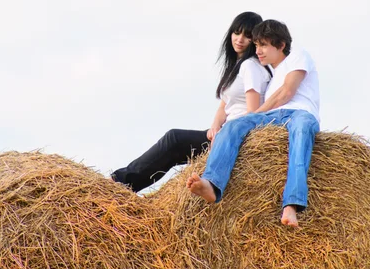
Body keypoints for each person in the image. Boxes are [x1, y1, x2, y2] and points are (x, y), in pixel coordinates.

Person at [112, 12, 271, 192]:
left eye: (247, 36)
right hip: (224, 132)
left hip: (236, 137)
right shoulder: (237, 66)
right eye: (236, 32)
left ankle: (120, 182)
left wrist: (224, 135)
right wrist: (215, 127)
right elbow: (224, 105)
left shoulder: (250, 66)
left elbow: (252, 112)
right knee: (174, 146)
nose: (240, 39)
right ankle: (125, 184)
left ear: (255, 40)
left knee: (174, 140)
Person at [186, 19, 320, 228]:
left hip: (301, 114)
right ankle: (211, 184)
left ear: (281, 45)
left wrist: (255, 115)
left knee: (300, 134)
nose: (258, 50)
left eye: (264, 45)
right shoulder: (270, 74)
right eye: (256, 45)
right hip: (274, 117)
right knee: (234, 125)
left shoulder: (298, 56)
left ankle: (291, 205)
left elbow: (287, 92)